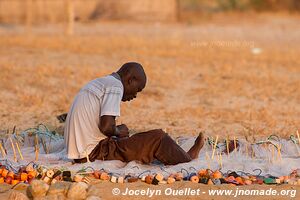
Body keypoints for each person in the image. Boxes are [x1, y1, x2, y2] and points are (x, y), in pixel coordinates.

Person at [64, 62, 204, 165]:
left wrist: (117, 131)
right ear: (130, 80)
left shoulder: (100, 82)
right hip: (93, 153)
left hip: (82, 150)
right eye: (137, 89)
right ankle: (187, 160)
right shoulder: (115, 87)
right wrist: (118, 131)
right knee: (158, 137)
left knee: (135, 141)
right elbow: (106, 128)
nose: (135, 95)